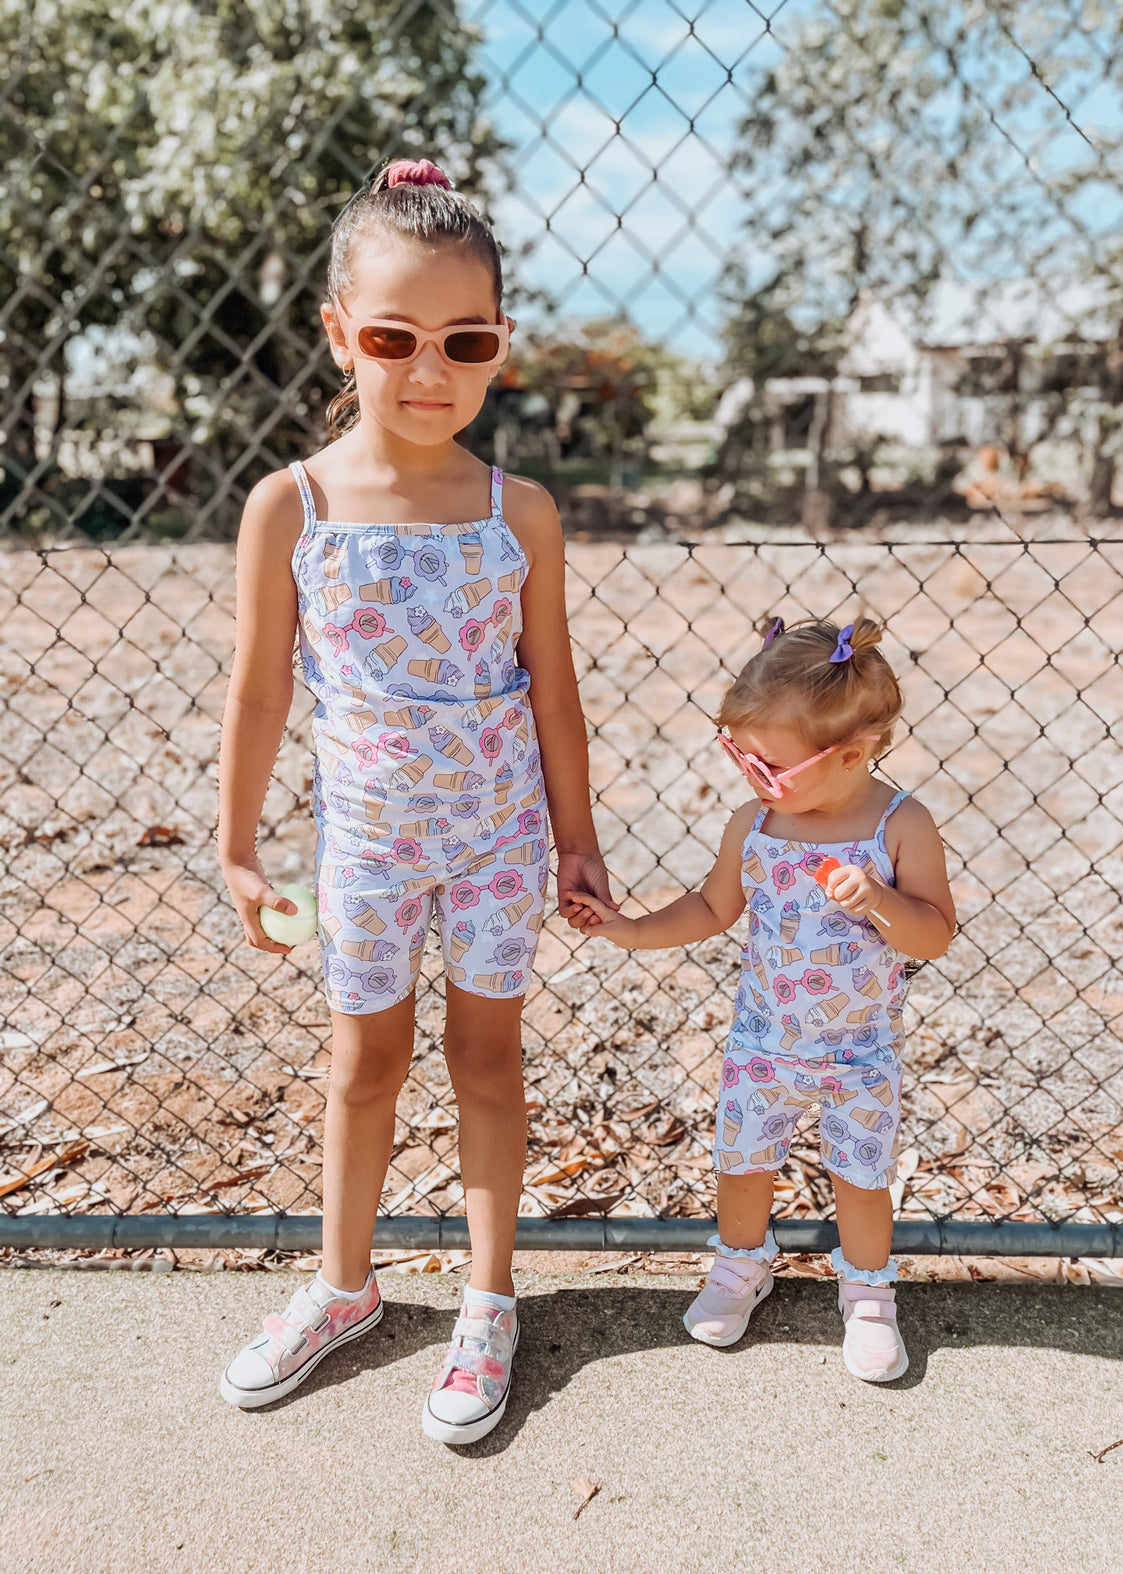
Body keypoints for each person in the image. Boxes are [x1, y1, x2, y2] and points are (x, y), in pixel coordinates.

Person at [216, 156, 613, 1442]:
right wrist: (237, 848)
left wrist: (578, 840)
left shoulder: (520, 513)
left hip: (498, 846)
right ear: (341, 333)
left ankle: (490, 1302)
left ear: (500, 345)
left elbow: (554, 694)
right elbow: (260, 692)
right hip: (368, 851)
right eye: (394, 337)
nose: (430, 368)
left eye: (465, 340)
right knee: (363, 1063)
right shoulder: (290, 507)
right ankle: (345, 1287)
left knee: (486, 1058)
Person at [568, 617, 955, 1382]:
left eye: (770, 764)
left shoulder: (900, 825)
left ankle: (868, 1295)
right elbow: (712, 908)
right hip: (764, 1045)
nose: (751, 773)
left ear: (852, 753)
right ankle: (741, 1265)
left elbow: (935, 935)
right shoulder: (755, 824)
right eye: (738, 753)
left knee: (862, 1178)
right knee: (742, 1165)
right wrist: (630, 928)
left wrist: (879, 900)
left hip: (860, 1051)